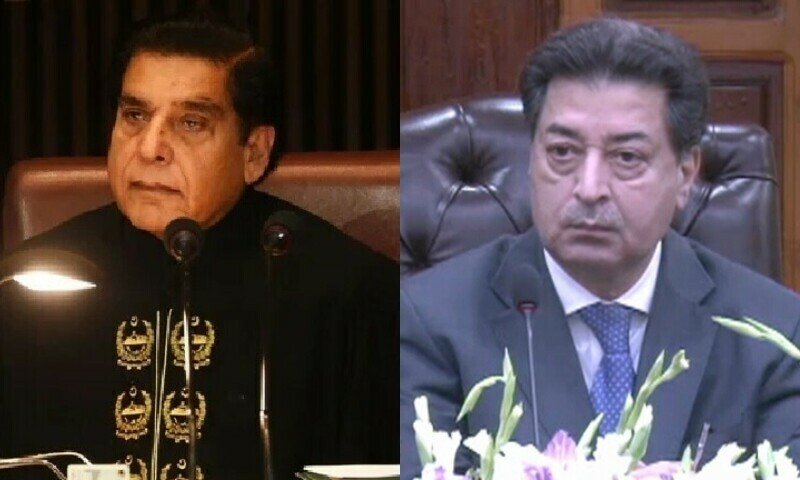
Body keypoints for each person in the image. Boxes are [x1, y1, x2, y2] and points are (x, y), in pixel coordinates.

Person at [400, 17, 800, 479]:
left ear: (686, 174)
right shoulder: (429, 322)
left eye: (627, 157)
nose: (589, 188)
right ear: (531, 158)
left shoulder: (775, 333)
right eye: (562, 153)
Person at [0, 16, 398, 480]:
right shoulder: (25, 285)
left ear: (254, 153)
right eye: (135, 116)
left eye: (191, 123)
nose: (150, 148)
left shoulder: (350, 294)